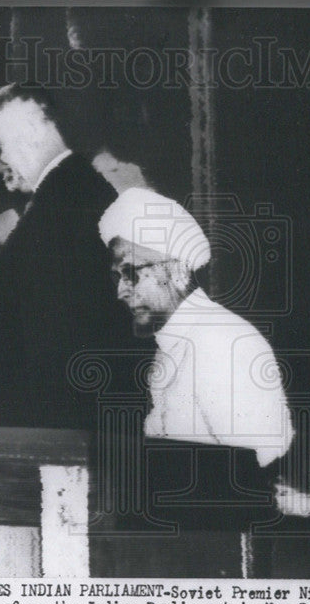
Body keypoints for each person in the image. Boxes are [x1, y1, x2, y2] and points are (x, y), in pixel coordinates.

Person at [95, 188, 296, 576]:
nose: (120, 290)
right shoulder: (172, 343)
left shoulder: (223, 341)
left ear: (177, 271)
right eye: (116, 275)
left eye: (130, 272)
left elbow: (255, 480)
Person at [0, 84, 134, 429]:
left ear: (34, 129)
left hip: (54, 425)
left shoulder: (65, 200)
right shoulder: (70, 191)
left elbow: (36, 320)